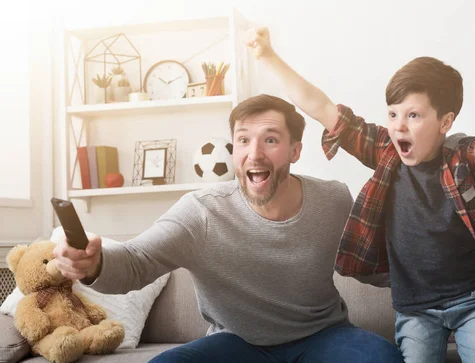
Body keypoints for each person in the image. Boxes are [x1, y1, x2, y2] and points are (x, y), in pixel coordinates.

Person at [246, 27, 475, 363]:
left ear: (444, 122)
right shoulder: (385, 150)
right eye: (393, 114)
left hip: (473, 302)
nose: (399, 124)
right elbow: (320, 106)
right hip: (415, 309)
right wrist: (269, 55)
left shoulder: (464, 160)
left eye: (413, 115)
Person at [52, 94, 401, 363]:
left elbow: (374, 265)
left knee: (381, 358)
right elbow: (137, 261)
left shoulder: (334, 200)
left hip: (324, 336)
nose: (254, 153)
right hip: (236, 344)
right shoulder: (202, 211)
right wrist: (93, 265)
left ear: (295, 151)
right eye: (244, 140)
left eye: (270, 140)